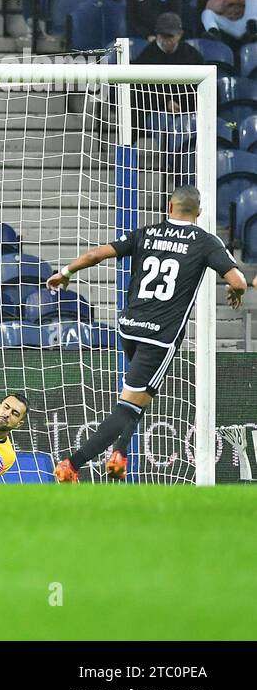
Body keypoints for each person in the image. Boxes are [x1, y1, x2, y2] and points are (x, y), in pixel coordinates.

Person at [49, 185, 246, 481]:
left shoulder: (147, 232)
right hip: (160, 337)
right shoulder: (205, 242)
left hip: (129, 328)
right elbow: (238, 280)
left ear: (169, 207)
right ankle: (72, 465)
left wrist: (65, 273)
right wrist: (235, 290)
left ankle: (120, 453)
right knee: (128, 407)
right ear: (200, 212)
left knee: (142, 396)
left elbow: (96, 254)